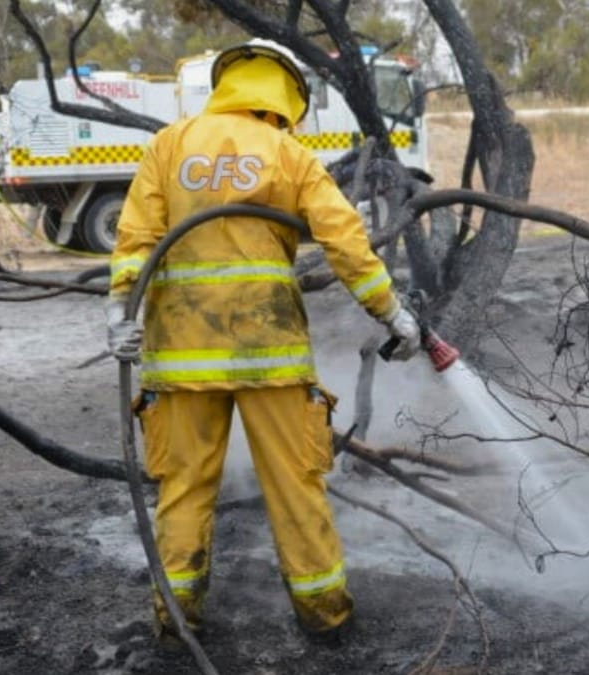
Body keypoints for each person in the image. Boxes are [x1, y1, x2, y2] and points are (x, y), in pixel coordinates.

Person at [105, 42, 421, 643]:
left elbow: (135, 238)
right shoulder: (288, 152)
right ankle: (326, 617)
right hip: (269, 355)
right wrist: (393, 314)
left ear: (227, 87)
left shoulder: (169, 145)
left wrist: (118, 311)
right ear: (284, 100)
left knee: (184, 490)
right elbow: (346, 243)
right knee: (294, 487)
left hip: (180, 356)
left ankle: (177, 624)